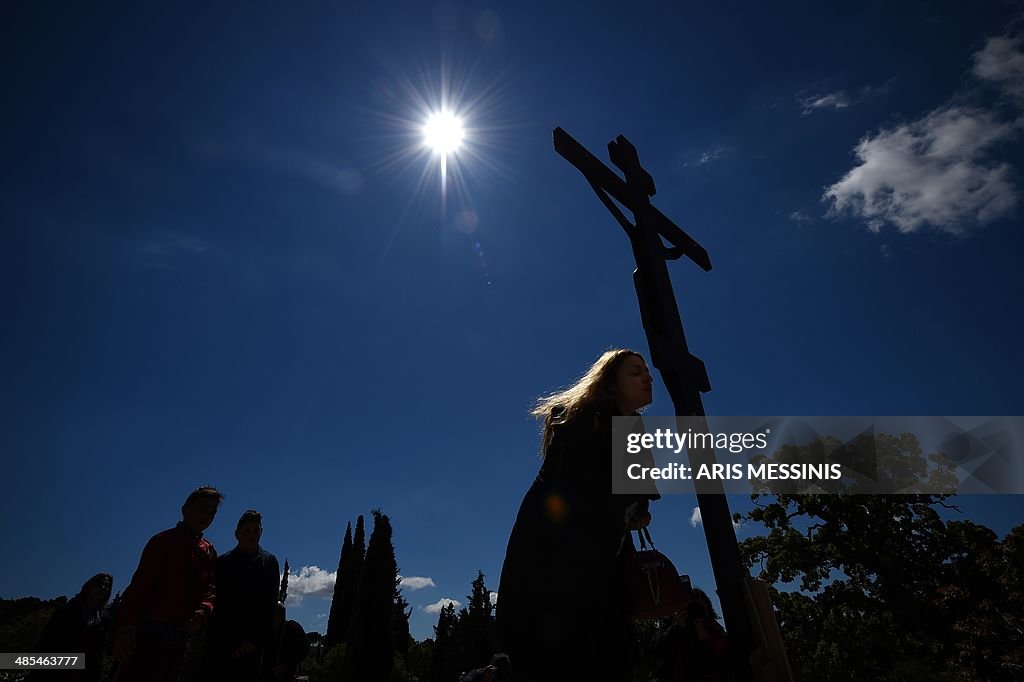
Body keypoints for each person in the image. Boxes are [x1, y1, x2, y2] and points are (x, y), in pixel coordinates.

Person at [496, 348, 661, 681]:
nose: (647, 377)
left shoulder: (633, 430)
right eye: (634, 372)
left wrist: (635, 513)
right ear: (609, 383)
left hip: (598, 570)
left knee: (610, 657)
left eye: (647, 373)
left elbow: (633, 504)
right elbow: (578, 497)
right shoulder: (584, 421)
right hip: (557, 570)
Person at [113, 486, 222, 682]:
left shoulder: (208, 551)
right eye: (201, 509)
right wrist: (126, 628)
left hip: (181, 635)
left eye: (212, 512)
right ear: (185, 509)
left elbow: (210, 590)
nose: (206, 516)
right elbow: (140, 586)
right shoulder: (163, 541)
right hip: (150, 631)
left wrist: (202, 613)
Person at [205, 509, 281, 681]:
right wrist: (225, 640)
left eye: (256, 531)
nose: (252, 535)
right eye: (247, 531)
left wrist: (255, 641)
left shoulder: (269, 562)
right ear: (237, 534)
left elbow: (269, 606)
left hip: (251, 648)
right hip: (221, 644)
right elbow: (217, 602)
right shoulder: (223, 563)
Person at [29, 573, 113, 681]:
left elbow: (98, 652)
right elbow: (46, 640)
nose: (103, 588)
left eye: (107, 585)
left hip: (85, 672)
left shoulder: (105, 618)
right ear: (89, 586)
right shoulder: (67, 611)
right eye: (99, 584)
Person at [651, 587, 728, 682]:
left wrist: (706, 644)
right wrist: (676, 627)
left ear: (707, 611)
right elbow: (655, 650)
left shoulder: (714, 630)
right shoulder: (671, 624)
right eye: (691, 609)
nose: (695, 613)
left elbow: (724, 665)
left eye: (699, 609)